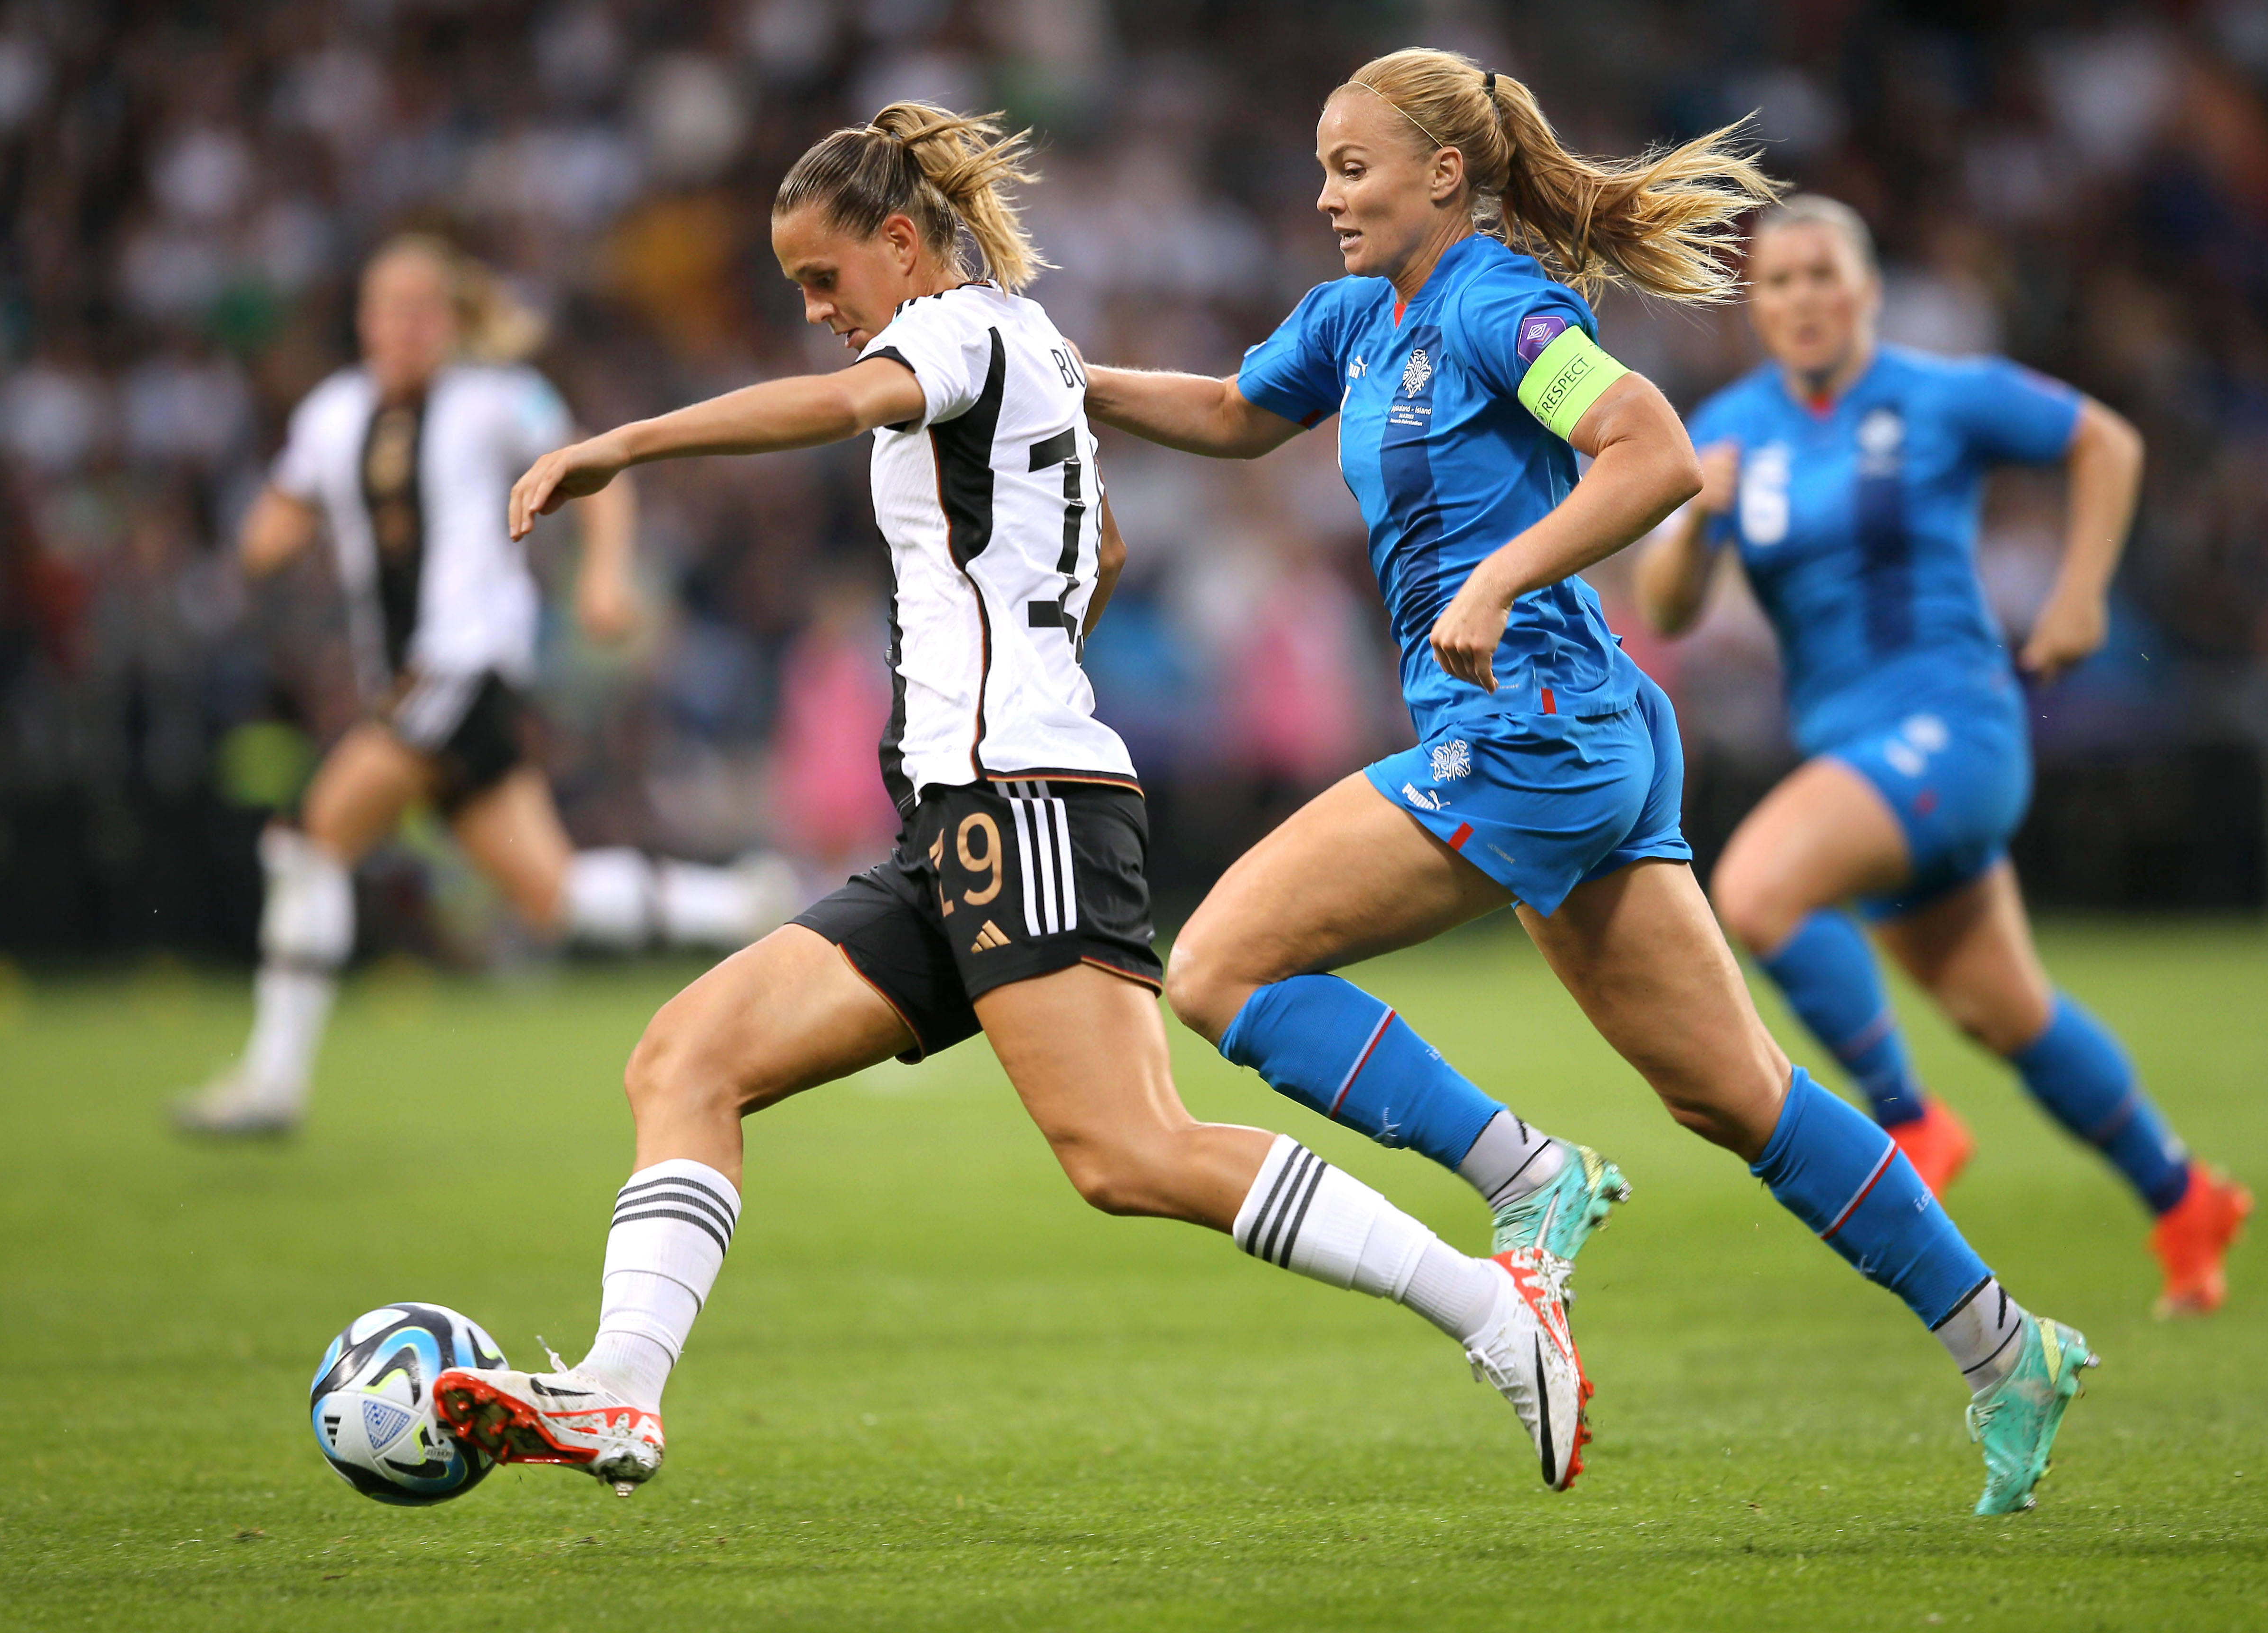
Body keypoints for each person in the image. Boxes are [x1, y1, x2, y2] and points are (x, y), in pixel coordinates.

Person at [430, 105, 1596, 1497]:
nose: (816, 314)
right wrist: (1023, 657)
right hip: (965, 807)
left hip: (1018, 798)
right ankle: (618, 1393)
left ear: (905, 244)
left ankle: (1492, 1310)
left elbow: (843, 405)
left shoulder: (955, 330)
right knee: (685, 1060)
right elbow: (1095, 546)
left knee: (1128, 1153)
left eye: (824, 280)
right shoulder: (1024, 342)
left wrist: (626, 442)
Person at [1082, 50, 2092, 1515]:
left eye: (1350, 167)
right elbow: (1238, 412)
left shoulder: (1500, 305)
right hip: (1581, 730)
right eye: (1318, 165)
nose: (1322, 195)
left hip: (1532, 730)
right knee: (1736, 1095)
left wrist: (1496, 577)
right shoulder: (1360, 321)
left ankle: (1527, 1174)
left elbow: (1652, 451)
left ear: (1444, 174)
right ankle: (2009, 1349)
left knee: (1222, 965)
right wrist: (1061, 379)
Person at [1631, 195, 2252, 1316]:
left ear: (1867, 291)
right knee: (2005, 1010)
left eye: (1825, 275)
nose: (1804, 298)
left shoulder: (1937, 394)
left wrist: (2077, 597)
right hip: (1856, 757)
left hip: (1954, 728)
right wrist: (1687, 525)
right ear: (1755, 305)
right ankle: (2185, 1195)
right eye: (1778, 282)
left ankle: (1909, 1119)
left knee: (1759, 887)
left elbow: (2106, 441)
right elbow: (1666, 609)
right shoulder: (1730, 427)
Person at [174, 236, 795, 1139]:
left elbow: (597, 467)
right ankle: (746, 904)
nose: (401, 327)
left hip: (463, 668)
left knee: (307, 840)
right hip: (413, 683)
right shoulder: (334, 415)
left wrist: (603, 571)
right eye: (384, 308)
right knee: (552, 895)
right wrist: (263, 534)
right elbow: (274, 520)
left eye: (420, 309)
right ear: (362, 319)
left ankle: (272, 1082)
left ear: (452, 319)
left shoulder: (499, 400)